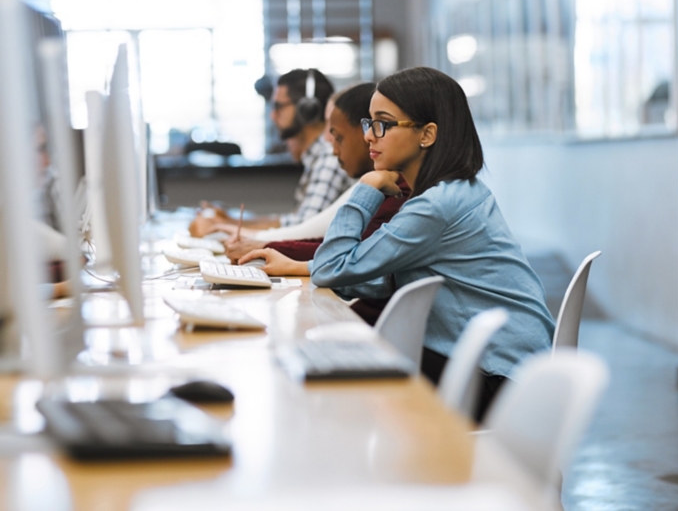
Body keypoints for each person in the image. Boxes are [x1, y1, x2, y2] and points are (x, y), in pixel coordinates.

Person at [240, 67, 555, 421]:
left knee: (338, 386)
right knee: (336, 365)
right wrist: (304, 267)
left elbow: (333, 268)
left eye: (383, 124)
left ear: (427, 134)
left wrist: (367, 188)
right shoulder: (452, 192)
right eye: (369, 123)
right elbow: (386, 274)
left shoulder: (435, 206)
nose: (369, 137)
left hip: (498, 377)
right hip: (510, 365)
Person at [224, 82, 410, 272]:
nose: (327, 139)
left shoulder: (398, 190)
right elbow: (337, 247)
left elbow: (347, 258)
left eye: (380, 125)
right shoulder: (388, 183)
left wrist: (268, 249)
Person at [189, 68, 352, 236]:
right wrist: (230, 221)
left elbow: (303, 230)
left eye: (278, 106)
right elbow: (294, 221)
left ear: (306, 110)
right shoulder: (317, 157)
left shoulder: (329, 158)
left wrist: (223, 226)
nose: (272, 116)